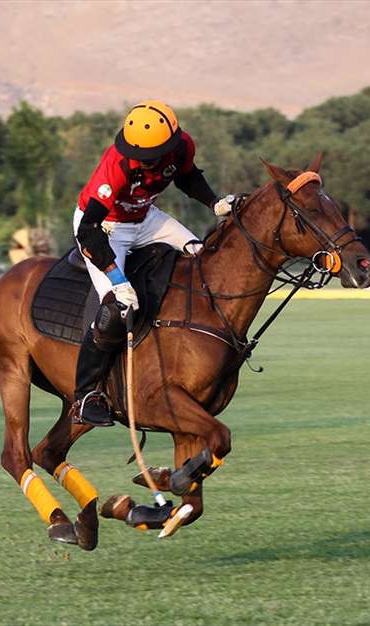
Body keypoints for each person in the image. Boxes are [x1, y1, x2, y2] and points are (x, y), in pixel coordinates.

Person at [71, 100, 235, 426]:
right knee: (119, 306)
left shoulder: (181, 147)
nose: (146, 164)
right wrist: (117, 278)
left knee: (203, 257)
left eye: (152, 157)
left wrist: (214, 202)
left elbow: (187, 177)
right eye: (142, 157)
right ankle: (86, 394)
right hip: (107, 227)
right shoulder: (116, 165)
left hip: (146, 219)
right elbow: (88, 232)